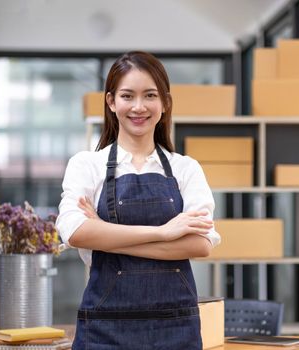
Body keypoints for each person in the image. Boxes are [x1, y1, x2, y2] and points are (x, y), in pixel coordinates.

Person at [56, 51, 221, 349]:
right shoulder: (86, 165)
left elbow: (200, 244)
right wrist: (164, 232)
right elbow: (76, 232)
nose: (139, 107)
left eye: (150, 96)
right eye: (127, 96)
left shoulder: (185, 169)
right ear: (111, 101)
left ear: (165, 103)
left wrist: (105, 235)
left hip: (176, 329)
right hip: (105, 330)